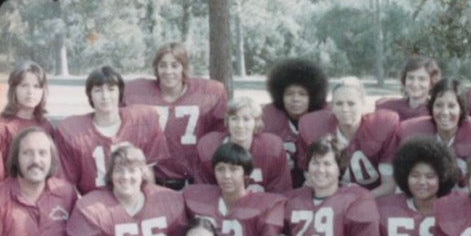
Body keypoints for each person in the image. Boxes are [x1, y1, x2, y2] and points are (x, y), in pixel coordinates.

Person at [123, 42, 228, 190]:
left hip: (195, 182)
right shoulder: (135, 91)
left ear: (184, 68)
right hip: (154, 182)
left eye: (175, 65)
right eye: (163, 65)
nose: (168, 71)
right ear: (156, 68)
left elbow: (220, 134)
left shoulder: (209, 92)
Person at [54, 65, 169, 195]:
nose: (105, 96)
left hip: (133, 199)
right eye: (98, 90)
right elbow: (68, 183)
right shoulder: (72, 131)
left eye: (111, 89)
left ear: (120, 92)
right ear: (89, 95)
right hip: (96, 204)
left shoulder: (141, 120)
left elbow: (147, 173)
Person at [284, 135, 380, 236]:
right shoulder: (293, 199)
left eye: (327, 163)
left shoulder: (356, 198)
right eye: (315, 163)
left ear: (339, 168)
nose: (320, 169)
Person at [183, 142, 285, 236]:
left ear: (246, 173)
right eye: (220, 169)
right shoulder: (197, 198)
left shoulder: (263, 206)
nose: (226, 175)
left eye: (233, 169)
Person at [373, 136, 460, 236]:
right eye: (415, 175)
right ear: (405, 176)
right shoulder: (385, 208)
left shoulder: (456, 208)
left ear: (442, 177)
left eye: (430, 176)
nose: (422, 182)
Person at [297, 76, 399, 198]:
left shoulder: (382, 125)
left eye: (351, 103)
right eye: (339, 103)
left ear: (363, 105)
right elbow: (311, 178)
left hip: (374, 198)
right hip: (331, 197)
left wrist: (360, 200)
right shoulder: (314, 127)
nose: (345, 109)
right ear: (332, 107)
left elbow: (389, 185)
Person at [399, 78, 471, 190]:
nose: (444, 112)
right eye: (438, 105)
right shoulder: (413, 131)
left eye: (451, 106)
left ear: (461, 108)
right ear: (431, 107)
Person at [196, 96, 292, 193]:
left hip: (262, 207)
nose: (240, 126)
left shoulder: (271, 148)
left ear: (256, 122)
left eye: (246, 119)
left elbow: (281, 192)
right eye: (234, 119)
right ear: (227, 121)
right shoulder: (210, 147)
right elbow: (204, 193)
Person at [263, 58, 329, 188]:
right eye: (289, 94)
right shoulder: (268, 118)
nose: (295, 99)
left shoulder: (324, 119)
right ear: (280, 95)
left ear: (313, 96)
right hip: (280, 183)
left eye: (302, 94)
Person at [0, 61, 55, 182]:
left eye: (36, 86)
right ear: (14, 90)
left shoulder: (46, 126)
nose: (30, 92)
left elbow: (52, 168)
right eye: (24, 85)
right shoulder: (1, 127)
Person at [375, 56, 441, 121]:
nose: (415, 84)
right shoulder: (388, 108)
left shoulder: (435, 112)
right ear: (404, 80)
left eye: (422, 79)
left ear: (431, 83)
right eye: (411, 78)